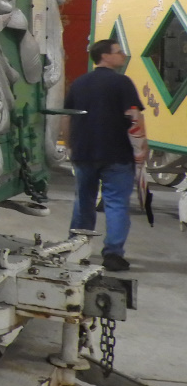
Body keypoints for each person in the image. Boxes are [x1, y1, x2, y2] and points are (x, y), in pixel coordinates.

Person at [65, 39, 144, 271]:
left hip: (84, 152)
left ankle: (77, 249)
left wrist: (70, 145)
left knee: (84, 201)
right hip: (117, 153)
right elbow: (134, 116)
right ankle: (113, 255)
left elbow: (66, 116)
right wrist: (142, 146)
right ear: (105, 56)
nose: (123, 56)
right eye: (118, 52)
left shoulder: (79, 83)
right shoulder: (122, 82)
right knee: (116, 204)